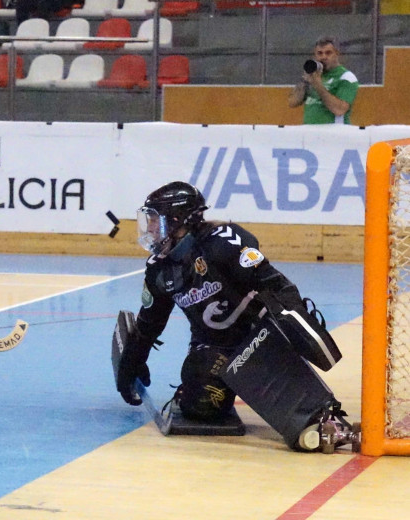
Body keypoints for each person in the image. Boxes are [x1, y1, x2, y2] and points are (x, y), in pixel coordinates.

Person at [115, 181, 359, 453]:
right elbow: (150, 323)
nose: (149, 229)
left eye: (155, 221)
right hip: (213, 344)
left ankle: (322, 416)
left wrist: (299, 324)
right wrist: (131, 364)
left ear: (177, 221)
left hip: (259, 332)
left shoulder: (223, 241)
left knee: (267, 364)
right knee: (201, 402)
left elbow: (274, 284)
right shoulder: (158, 270)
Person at [287, 36, 359, 125]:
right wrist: (305, 81)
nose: (323, 57)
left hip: (334, 132)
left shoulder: (346, 77)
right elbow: (292, 102)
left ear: (337, 54)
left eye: (328, 53)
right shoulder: (314, 75)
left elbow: (339, 110)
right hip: (309, 131)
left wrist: (318, 85)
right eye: (319, 53)